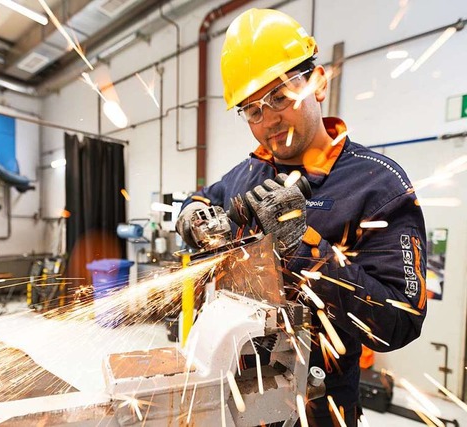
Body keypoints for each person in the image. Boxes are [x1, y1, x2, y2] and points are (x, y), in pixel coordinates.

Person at [176, 8, 427, 426]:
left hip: (318, 407)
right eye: (252, 110)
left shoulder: (377, 185)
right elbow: (202, 198)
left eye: (280, 96)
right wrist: (191, 212)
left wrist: (302, 245)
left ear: (318, 82)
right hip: (231, 394)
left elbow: (399, 321)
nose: (269, 119)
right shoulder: (247, 173)